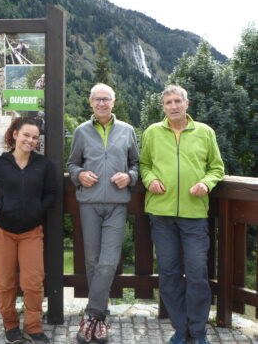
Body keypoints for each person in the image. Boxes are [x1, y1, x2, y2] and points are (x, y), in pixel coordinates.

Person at [140, 85, 225, 344]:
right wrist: (150, 180)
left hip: (194, 214)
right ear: (163, 107)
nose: (173, 106)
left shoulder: (205, 132)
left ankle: (198, 331)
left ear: (187, 104)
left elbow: (217, 168)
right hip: (161, 214)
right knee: (169, 272)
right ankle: (180, 328)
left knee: (198, 271)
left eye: (178, 101)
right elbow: (144, 165)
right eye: (168, 102)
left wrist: (206, 184)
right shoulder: (153, 132)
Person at [67, 83, 139, 344]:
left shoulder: (127, 131)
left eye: (105, 99)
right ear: (90, 102)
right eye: (96, 99)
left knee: (108, 262)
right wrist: (79, 175)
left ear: (114, 101)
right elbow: (72, 163)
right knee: (92, 261)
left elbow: (135, 164)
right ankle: (100, 320)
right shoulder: (81, 131)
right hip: (89, 204)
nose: (101, 103)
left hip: (117, 205)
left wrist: (129, 177)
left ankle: (91, 316)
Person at [0, 117, 56, 344]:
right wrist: (1, 208)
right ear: (15, 134)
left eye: (34, 137)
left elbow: (51, 194)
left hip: (31, 231)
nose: (30, 140)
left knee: (33, 282)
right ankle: (11, 325)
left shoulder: (43, 164)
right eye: (26, 135)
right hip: (1, 230)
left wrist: (37, 211)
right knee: (5, 282)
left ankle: (33, 327)